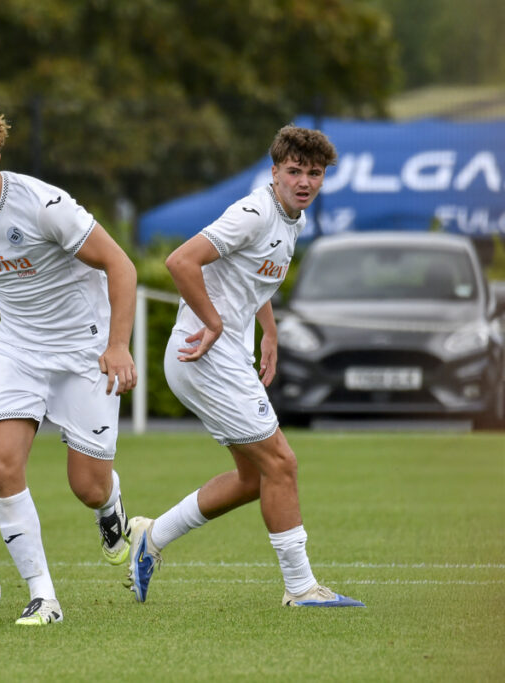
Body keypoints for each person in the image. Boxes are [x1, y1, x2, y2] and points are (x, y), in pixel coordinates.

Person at [126, 125, 364, 608]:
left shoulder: (289, 218)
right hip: (205, 354)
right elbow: (180, 262)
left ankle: (150, 539)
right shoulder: (255, 212)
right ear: (274, 172)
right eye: (294, 171)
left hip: (221, 355)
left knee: (254, 477)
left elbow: (249, 277)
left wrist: (269, 331)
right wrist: (212, 323)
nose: (304, 181)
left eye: (314, 173)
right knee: (282, 464)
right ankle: (301, 589)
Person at [0, 102, 139, 625]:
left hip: (83, 351)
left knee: (86, 485)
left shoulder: (45, 205)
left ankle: (111, 507)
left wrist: (118, 345)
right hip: (17, 350)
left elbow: (121, 265)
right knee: (1, 464)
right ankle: (43, 597)